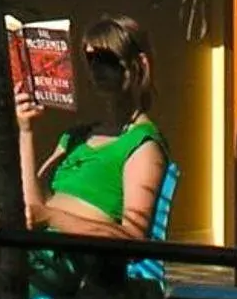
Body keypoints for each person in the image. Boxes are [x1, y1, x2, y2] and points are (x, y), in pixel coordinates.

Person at [17, 13, 169, 247]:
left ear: (139, 64)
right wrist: (26, 132)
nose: (97, 68)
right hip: (36, 251)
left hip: (73, 261)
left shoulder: (141, 145)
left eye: (105, 58)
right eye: (90, 59)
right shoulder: (74, 137)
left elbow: (133, 238)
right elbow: (33, 206)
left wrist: (52, 217)